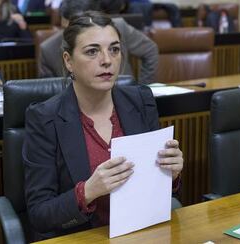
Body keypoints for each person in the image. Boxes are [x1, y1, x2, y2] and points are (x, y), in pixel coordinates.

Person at [23, 11, 183, 241]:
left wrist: (172, 173)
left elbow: (163, 191)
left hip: (143, 232)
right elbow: (39, 214)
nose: (107, 60)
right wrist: (88, 191)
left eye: (114, 49)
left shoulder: (140, 101)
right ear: (68, 61)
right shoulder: (44, 118)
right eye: (92, 51)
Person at [39, 0, 158, 84]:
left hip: (124, 101)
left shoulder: (119, 28)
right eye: (67, 30)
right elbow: (48, 94)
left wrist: (142, 88)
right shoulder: (48, 49)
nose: (106, 60)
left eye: (114, 49)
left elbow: (150, 50)